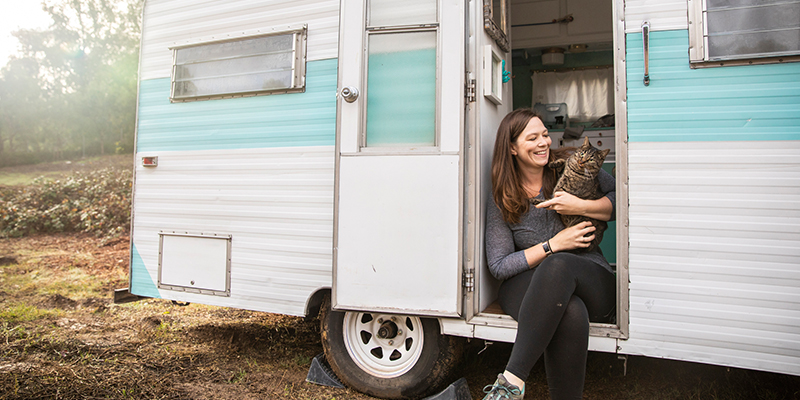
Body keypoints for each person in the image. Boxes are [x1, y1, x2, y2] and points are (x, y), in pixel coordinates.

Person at [482, 108, 616, 400]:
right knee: (569, 310)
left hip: (591, 275)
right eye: (532, 138)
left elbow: (620, 199)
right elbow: (500, 265)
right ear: (512, 148)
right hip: (534, 284)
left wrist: (580, 206)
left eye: (544, 135)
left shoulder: (572, 163)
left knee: (559, 266)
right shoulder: (502, 196)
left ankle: (511, 381)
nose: (543, 142)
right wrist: (553, 244)